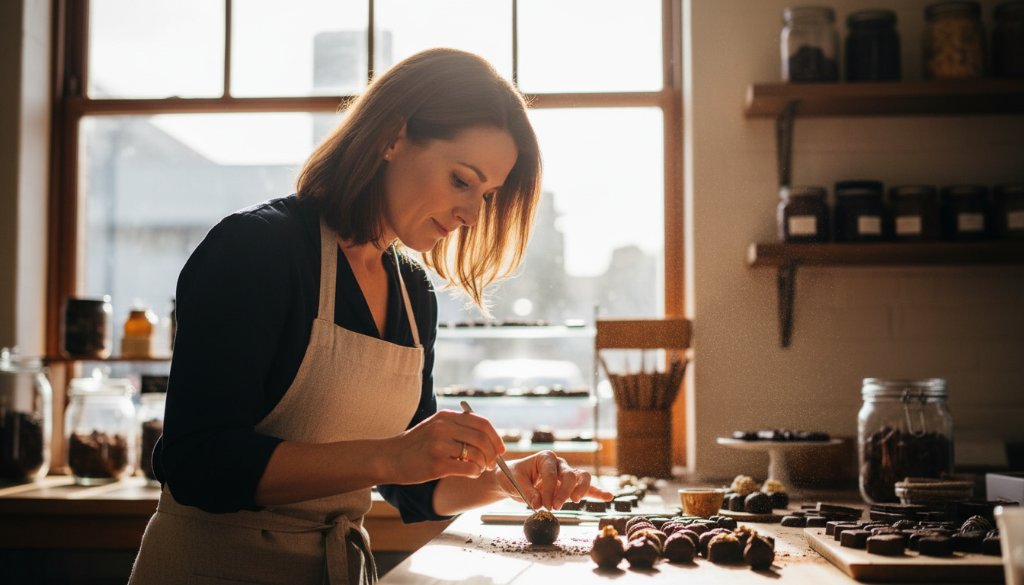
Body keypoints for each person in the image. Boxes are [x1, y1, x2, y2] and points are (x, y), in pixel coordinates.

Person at [128, 48, 612, 585]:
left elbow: (412, 485)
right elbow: (199, 464)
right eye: (461, 180)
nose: (473, 215)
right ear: (392, 137)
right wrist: (390, 457)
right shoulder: (256, 250)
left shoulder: (413, 293)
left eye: (488, 195)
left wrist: (506, 480)